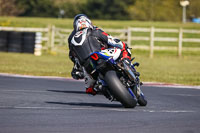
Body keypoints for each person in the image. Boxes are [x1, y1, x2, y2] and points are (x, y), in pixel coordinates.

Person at [68, 14, 132, 95]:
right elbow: (111, 39)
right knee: (124, 49)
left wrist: (77, 69)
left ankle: (104, 88)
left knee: (90, 89)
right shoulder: (95, 30)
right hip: (103, 55)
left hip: (88, 66)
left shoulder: (72, 39)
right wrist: (122, 45)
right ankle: (127, 66)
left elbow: (73, 57)